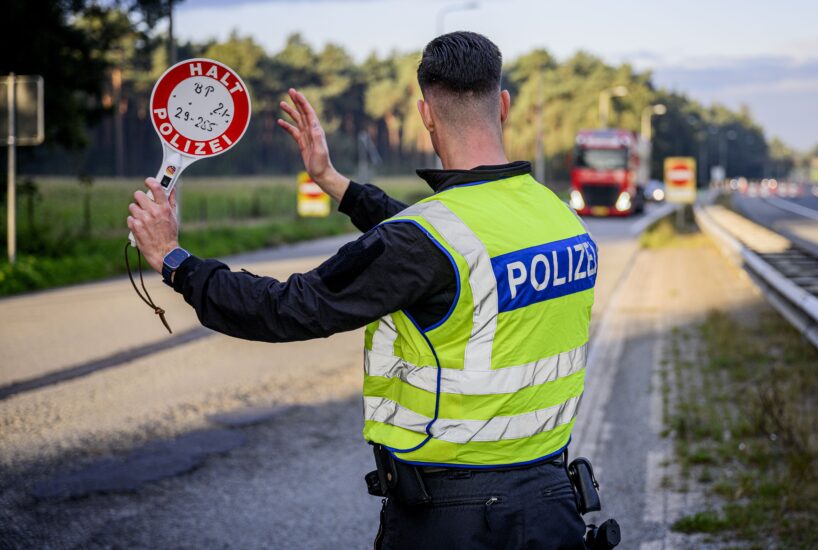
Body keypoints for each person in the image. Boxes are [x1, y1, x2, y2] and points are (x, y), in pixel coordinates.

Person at [128, 31, 600, 549]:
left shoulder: (427, 241)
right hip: (552, 507)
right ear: (503, 105)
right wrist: (333, 181)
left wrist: (175, 261)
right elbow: (445, 248)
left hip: (455, 520)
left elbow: (288, 308)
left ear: (424, 114)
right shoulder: (559, 218)